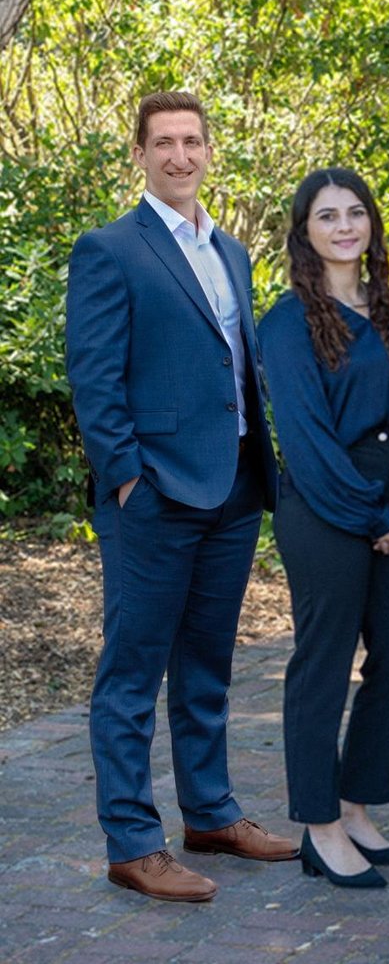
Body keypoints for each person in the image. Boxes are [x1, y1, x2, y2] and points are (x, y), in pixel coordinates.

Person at [67, 90, 297, 902]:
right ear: (139, 153)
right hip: (154, 493)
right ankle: (133, 842)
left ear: (208, 150)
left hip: (232, 486)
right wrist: (128, 475)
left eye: (191, 141)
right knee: (132, 674)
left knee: (207, 663)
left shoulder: (229, 249)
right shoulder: (110, 249)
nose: (179, 156)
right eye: (162, 142)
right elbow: (94, 379)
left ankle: (210, 812)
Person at [260, 168, 389, 889]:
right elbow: (306, 440)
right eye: (327, 216)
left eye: (355, 213)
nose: (343, 227)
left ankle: (356, 806)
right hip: (324, 505)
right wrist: (372, 514)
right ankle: (320, 825)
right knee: (323, 662)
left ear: (372, 225)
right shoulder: (288, 322)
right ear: (304, 231)